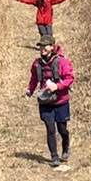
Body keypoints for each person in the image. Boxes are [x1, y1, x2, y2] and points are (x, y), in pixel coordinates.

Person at [25, 39, 74, 167]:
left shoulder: (63, 62)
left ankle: (66, 145)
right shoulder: (36, 64)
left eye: (44, 46)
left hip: (61, 101)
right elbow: (34, 79)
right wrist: (29, 91)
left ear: (52, 47)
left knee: (62, 129)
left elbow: (70, 78)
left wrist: (57, 86)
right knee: (50, 129)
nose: (42, 49)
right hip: (45, 102)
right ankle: (54, 156)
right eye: (40, 46)